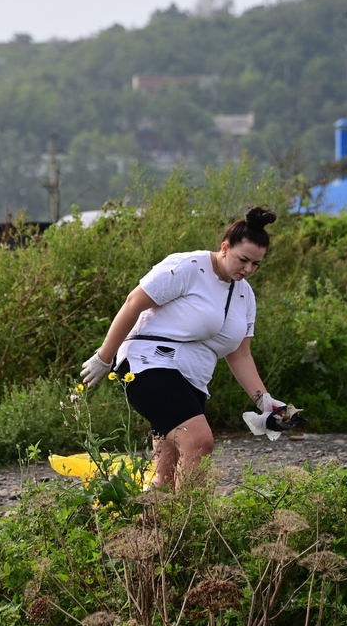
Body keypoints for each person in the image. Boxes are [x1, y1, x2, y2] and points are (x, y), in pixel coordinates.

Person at [80, 206, 287, 489]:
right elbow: (133, 303)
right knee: (198, 441)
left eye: (256, 264)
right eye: (243, 260)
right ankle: (192, 524)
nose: (248, 269)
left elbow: (240, 354)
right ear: (224, 248)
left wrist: (264, 402)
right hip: (149, 363)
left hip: (192, 380)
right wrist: (104, 358)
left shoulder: (245, 295)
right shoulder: (189, 267)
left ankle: (149, 528)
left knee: (166, 475)